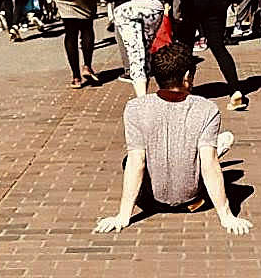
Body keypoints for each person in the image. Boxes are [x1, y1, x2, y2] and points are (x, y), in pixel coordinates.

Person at [93, 42, 252, 236]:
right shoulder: (207, 109)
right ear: (187, 76)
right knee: (208, 155)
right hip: (194, 202)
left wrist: (123, 216)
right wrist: (226, 216)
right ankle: (215, 146)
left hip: (151, 202)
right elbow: (210, 165)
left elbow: (137, 163)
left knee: (129, 158)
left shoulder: (135, 108)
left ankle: (213, 146)